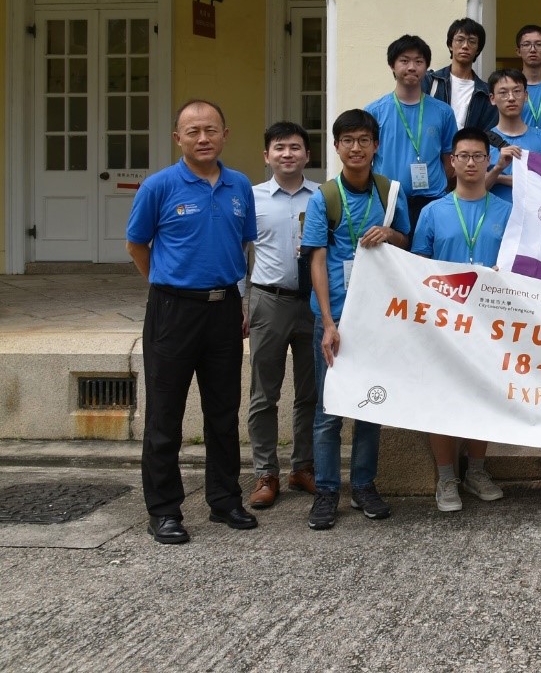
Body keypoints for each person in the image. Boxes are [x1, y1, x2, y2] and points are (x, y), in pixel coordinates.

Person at [126, 99, 258, 545]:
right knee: (165, 414)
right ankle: (163, 510)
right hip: (173, 312)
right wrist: (168, 284)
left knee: (223, 412)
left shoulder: (240, 185)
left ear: (225, 133)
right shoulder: (159, 186)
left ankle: (225, 500)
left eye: (211, 130)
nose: (203, 138)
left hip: (223, 310)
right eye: (193, 131)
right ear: (177, 138)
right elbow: (137, 244)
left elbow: (243, 246)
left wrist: (238, 299)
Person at [301, 109, 411, 531]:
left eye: (364, 140)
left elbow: (407, 245)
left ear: (376, 145)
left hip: (378, 319)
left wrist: (392, 235)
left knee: (370, 403)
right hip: (335, 319)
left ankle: (364, 485)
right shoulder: (323, 198)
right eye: (347, 140)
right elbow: (317, 259)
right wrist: (328, 322)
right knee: (329, 409)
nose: (356, 148)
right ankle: (327, 492)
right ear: (336, 147)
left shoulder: (389, 192)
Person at [413, 128, 514, 511]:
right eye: (463, 156)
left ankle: (476, 470)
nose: (471, 163)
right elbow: (419, 269)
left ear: (488, 161)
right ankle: (445, 478)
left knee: (484, 393)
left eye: (478, 156)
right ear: (451, 163)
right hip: (445, 321)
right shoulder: (432, 212)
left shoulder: (507, 213)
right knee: (442, 396)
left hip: (491, 322)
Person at [246, 121, 320, 510]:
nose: (287, 154)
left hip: (310, 302)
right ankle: (265, 472)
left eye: (295, 148)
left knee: (309, 391)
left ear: (308, 155)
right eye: (279, 148)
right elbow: (238, 252)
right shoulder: (251, 198)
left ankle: (302, 466)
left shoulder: (323, 197)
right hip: (268, 302)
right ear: (267, 156)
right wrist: (244, 304)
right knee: (264, 394)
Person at [366, 34, 458, 231]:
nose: (411, 67)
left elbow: (449, 158)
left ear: (426, 67)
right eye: (404, 61)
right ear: (392, 65)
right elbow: (365, 159)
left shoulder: (443, 112)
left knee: (427, 259)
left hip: (432, 200)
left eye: (419, 61)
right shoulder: (374, 112)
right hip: (386, 199)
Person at [486, 68, 541, 204]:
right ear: (492, 99)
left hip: (535, 216)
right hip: (495, 218)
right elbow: (475, 189)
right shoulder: (481, 141)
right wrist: (498, 169)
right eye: (503, 93)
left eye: (517, 91)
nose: (511, 98)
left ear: (526, 96)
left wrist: (499, 178)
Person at [425, 18, 498, 131]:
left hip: (469, 148)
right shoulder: (431, 81)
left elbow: (488, 132)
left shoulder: (486, 93)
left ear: (478, 49)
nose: (465, 46)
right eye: (460, 40)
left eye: (472, 41)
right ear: (450, 45)